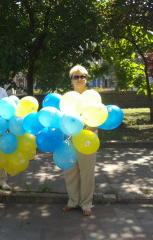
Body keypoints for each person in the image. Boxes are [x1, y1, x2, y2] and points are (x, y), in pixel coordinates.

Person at [62, 65, 98, 216]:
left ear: (87, 79)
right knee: (70, 171)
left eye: (83, 76)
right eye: (76, 77)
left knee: (87, 172)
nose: (80, 79)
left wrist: (85, 131)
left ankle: (86, 204)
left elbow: (98, 117)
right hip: (69, 139)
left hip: (88, 139)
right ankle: (73, 201)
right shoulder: (66, 97)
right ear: (71, 80)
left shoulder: (93, 97)